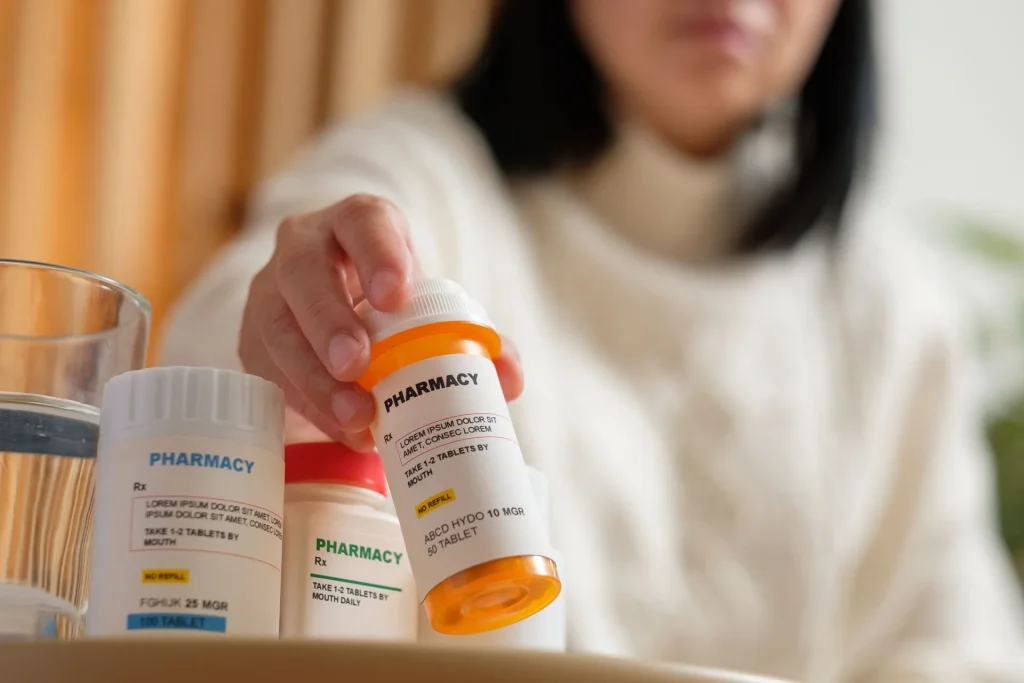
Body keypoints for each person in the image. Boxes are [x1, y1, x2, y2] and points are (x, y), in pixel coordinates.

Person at [160, 0, 1024, 679]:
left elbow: (958, 645)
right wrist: (286, 323)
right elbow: (220, 346)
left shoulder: (892, 304)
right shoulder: (426, 178)